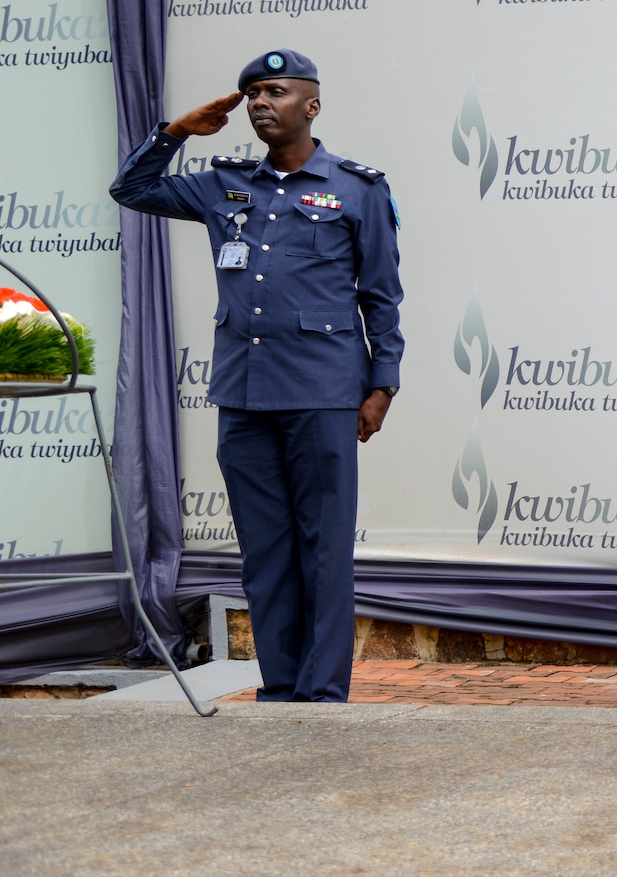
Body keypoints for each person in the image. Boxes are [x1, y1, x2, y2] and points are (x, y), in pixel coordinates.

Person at [109, 49, 404, 702]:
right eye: (252, 94)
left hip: (325, 394)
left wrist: (383, 384)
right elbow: (130, 189)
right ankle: (281, 688)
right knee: (265, 556)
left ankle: (322, 692)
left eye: (275, 90)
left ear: (312, 105)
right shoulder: (225, 184)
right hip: (243, 395)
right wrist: (178, 131)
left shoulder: (357, 188)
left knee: (324, 553)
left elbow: (381, 296)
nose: (260, 101)